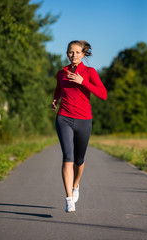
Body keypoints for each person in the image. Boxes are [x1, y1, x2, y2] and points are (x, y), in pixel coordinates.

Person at [51, 40, 107, 212]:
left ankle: (76, 185)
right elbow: (59, 88)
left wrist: (83, 82)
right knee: (67, 157)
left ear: (83, 54)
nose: (73, 55)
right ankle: (69, 198)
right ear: (67, 53)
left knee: (79, 159)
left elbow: (103, 94)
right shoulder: (62, 73)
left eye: (77, 52)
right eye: (70, 52)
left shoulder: (90, 72)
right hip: (64, 118)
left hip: (84, 120)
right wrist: (55, 99)